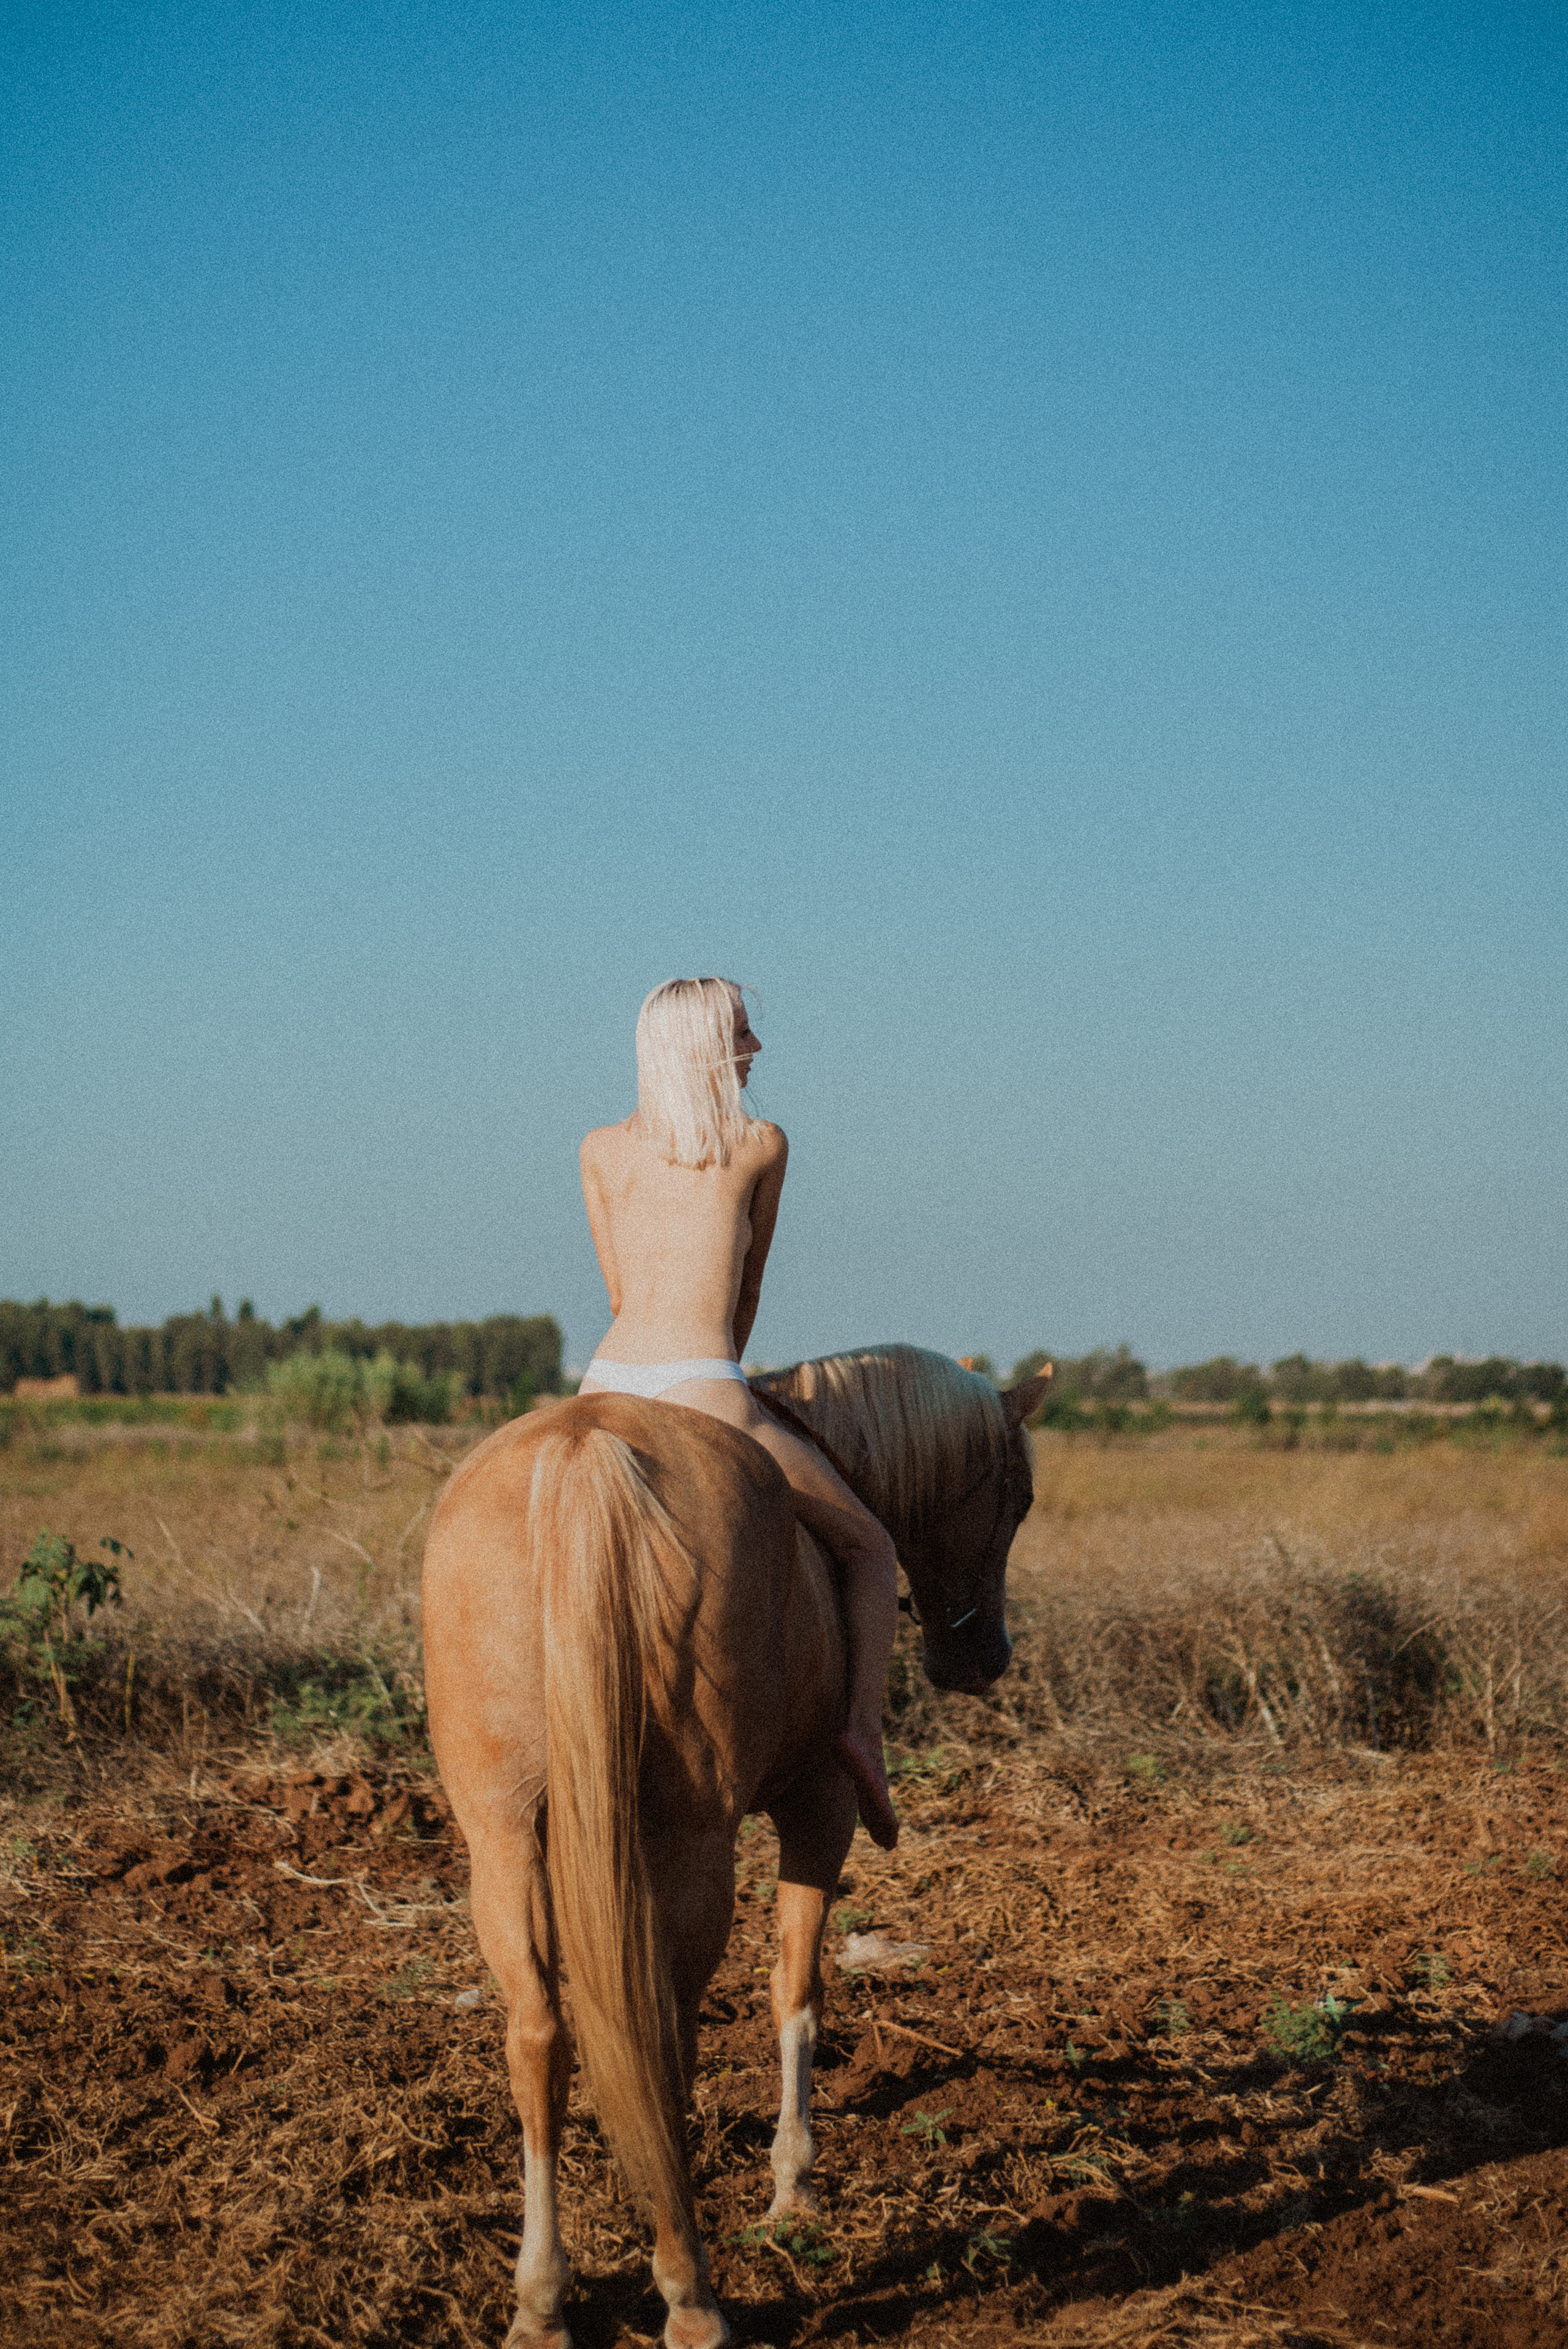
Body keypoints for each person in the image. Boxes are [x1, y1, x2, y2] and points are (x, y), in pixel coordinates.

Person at [578, 975, 900, 1848]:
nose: (757, 1049)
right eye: (744, 1033)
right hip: (703, 1382)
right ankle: (862, 1735)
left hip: (603, 1384)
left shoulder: (600, 1149)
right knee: (872, 1546)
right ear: (703, 1048)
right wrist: (728, 1377)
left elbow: (616, 1291)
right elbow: (745, 1293)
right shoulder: (761, 1143)